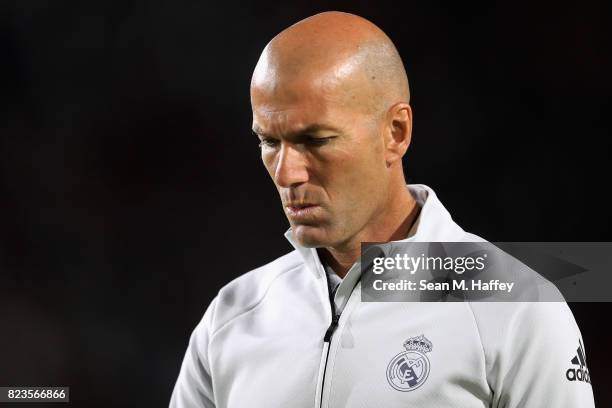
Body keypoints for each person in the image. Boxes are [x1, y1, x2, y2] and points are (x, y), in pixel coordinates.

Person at [170, 11, 595, 408]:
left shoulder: (518, 305)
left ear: (396, 132)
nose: (287, 172)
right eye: (268, 142)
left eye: (315, 140)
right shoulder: (231, 317)